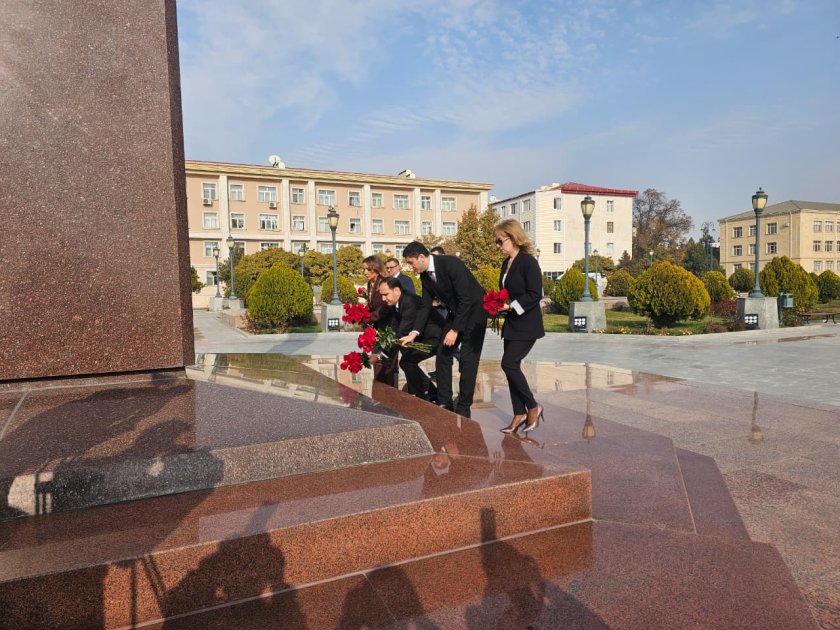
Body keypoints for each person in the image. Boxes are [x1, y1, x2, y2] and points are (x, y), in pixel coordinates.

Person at [402, 241, 488, 418]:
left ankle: (464, 405)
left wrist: (455, 330)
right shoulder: (425, 275)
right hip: (457, 313)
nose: (410, 267)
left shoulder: (451, 264)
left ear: (421, 257)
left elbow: (466, 299)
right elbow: (425, 306)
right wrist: (414, 333)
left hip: (475, 312)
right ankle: (445, 402)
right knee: (443, 354)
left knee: (467, 360)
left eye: (411, 262)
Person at [493, 219, 545, 434]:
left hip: (527, 324)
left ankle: (533, 406)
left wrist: (511, 306)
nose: (497, 245)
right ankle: (518, 413)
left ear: (513, 238)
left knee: (509, 364)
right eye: (496, 241)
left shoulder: (528, 261)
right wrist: (498, 304)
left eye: (500, 240)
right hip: (512, 323)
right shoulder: (507, 263)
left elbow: (535, 294)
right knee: (511, 367)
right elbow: (508, 292)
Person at [379, 277, 441, 401]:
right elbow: (394, 328)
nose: (383, 299)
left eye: (386, 294)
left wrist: (383, 354)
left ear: (397, 290)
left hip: (435, 338)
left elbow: (402, 331)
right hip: (423, 338)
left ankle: (424, 394)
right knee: (408, 361)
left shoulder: (409, 302)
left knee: (407, 361)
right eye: (381, 295)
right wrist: (382, 348)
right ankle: (427, 393)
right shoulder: (398, 302)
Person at [362, 255, 392, 330]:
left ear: (376, 268)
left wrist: (370, 317)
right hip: (376, 324)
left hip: (388, 324)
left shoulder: (386, 282)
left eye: (368, 269)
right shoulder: (369, 283)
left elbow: (388, 305)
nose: (365, 272)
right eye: (364, 269)